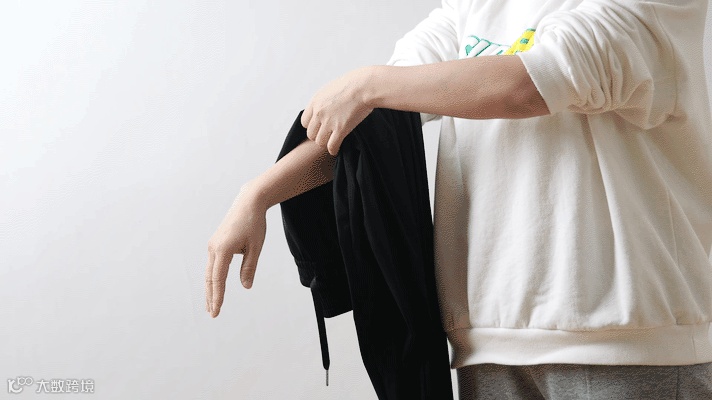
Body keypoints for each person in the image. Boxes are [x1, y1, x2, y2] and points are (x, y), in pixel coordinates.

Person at [205, 0, 712, 398]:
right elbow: (367, 117)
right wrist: (258, 193)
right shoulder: (472, 8)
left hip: (632, 345)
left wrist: (370, 84)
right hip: (488, 346)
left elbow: (529, 84)